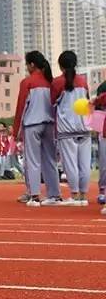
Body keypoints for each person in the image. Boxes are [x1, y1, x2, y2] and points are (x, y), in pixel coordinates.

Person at [13, 51, 60, 206]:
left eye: (27, 64)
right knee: (50, 160)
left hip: (32, 125)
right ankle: (54, 194)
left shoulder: (27, 82)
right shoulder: (51, 83)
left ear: (32, 65)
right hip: (49, 124)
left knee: (32, 161)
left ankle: (34, 195)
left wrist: (16, 131)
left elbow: (21, 107)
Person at [51, 50, 90, 206]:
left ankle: (74, 194)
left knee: (70, 164)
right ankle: (83, 195)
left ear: (60, 66)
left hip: (66, 129)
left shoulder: (57, 82)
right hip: (84, 127)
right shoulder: (83, 81)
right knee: (84, 164)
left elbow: (52, 103)